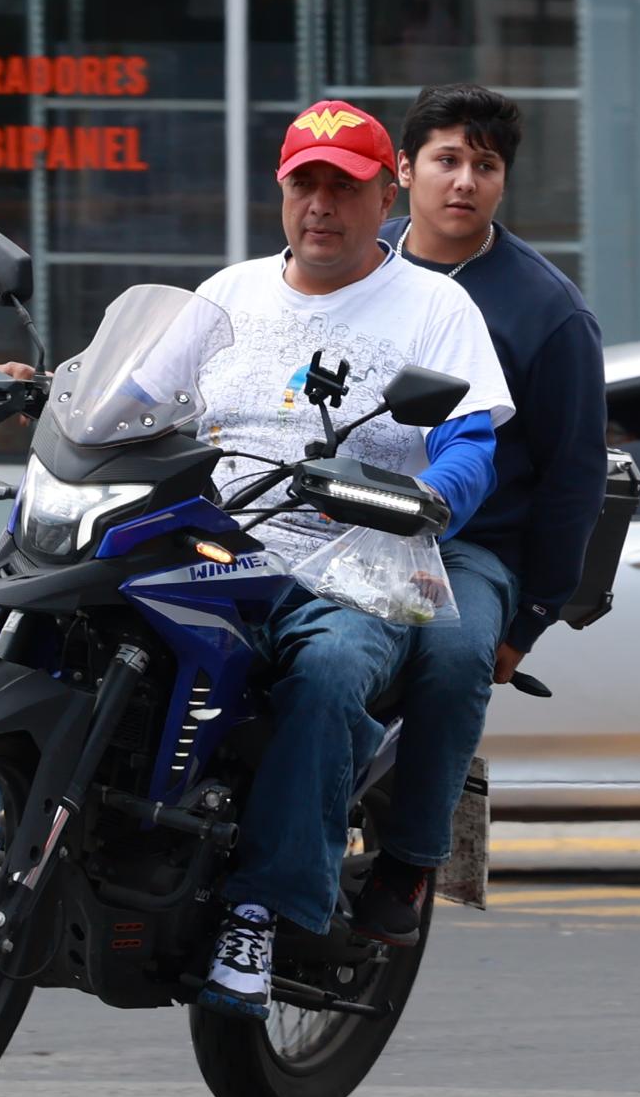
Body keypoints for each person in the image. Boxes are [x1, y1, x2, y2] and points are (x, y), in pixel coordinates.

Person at [170, 102, 513, 1018]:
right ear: (281, 190)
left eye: (344, 186)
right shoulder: (227, 293)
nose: (321, 204)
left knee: (328, 671)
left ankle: (262, 912)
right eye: (305, 183)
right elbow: (130, 395)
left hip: (350, 564)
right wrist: (52, 393)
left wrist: (431, 495)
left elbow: (471, 442)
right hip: (212, 543)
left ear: (383, 196)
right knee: (41, 573)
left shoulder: (436, 306)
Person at [380, 75, 605, 733]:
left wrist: (532, 616)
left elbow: (574, 472)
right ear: (404, 168)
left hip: (472, 548)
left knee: (453, 660)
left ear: (503, 181)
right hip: (338, 523)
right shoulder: (360, 260)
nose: (464, 182)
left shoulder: (548, 309)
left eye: (485, 166)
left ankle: (425, 811)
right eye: (447, 160)